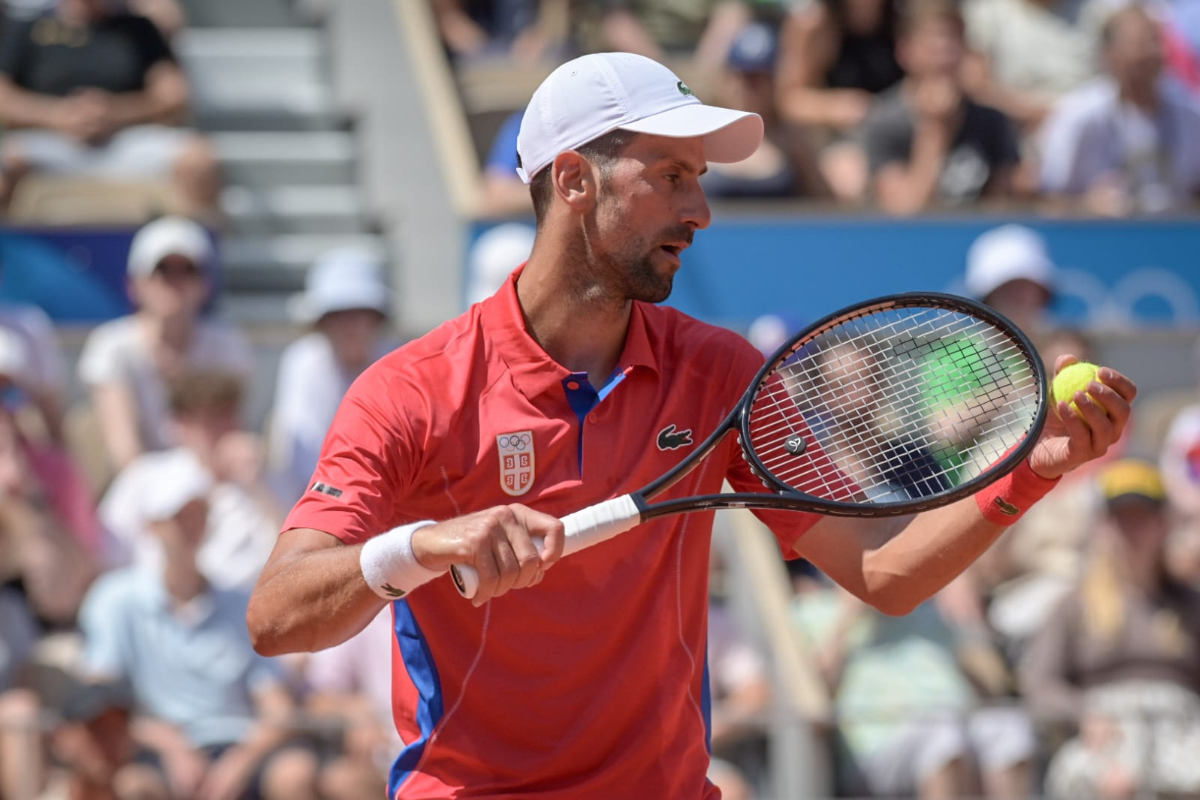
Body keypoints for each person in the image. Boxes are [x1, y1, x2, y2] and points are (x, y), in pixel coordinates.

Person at [247, 51, 1135, 797]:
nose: (700, 211)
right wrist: (423, 546)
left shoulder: (719, 373)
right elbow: (278, 615)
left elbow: (882, 572)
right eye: (671, 177)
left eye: (700, 181)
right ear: (574, 181)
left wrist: (1035, 468)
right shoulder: (412, 392)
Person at [78, 453, 319, 800]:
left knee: (295, 776)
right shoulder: (115, 599)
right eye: (178, 516)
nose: (190, 525)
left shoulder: (241, 604)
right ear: (151, 525)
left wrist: (240, 760)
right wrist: (170, 745)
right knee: (135, 786)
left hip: (237, 745)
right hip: (156, 753)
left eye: (197, 513)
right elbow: (99, 700)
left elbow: (276, 707)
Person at [1019, 459, 1200, 800]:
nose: (1131, 531)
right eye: (1121, 519)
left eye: (1141, 519)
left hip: (1183, 727)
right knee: (1112, 782)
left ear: (1162, 524)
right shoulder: (1074, 604)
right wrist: (1083, 714)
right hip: (1108, 726)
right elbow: (1039, 685)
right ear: (1103, 526)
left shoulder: (1190, 603)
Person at [792, 581, 1037, 799]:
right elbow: (813, 691)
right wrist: (848, 617)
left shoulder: (930, 609)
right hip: (877, 744)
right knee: (941, 732)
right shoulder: (812, 612)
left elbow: (993, 683)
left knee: (1008, 726)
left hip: (955, 725)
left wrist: (968, 616)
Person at [0, 0, 220, 217]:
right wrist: (56, 116)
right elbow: (4, 96)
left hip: (125, 140)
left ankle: (188, 250)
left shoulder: (138, 27)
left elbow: (174, 94)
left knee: (197, 160)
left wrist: (115, 113)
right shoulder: (30, 27)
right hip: (49, 141)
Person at [76, 216, 253, 474]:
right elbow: (126, 455)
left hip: (214, 484)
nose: (175, 282)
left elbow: (231, 440)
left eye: (187, 270)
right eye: (163, 271)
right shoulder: (110, 347)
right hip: (141, 492)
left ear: (205, 285)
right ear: (135, 285)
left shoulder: (229, 345)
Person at [101, 370, 281, 592]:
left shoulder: (268, 480)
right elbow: (107, 556)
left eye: (228, 415)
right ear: (181, 426)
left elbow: (292, 560)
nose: (224, 429)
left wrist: (257, 486)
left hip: (245, 611)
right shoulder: (144, 477)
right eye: (210, 421)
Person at [862, 0, 1021, 215]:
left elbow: (999, 210)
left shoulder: (993, 122)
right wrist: (935, 129)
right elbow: (905, 213)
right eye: (932, 44)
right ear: (905, 51)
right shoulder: (883, 122)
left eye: (952, 43)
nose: (944, 56)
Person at [1040, 4, 1200, 216]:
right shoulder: (1080, 116)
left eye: (1158, 41)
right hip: (1101, 241)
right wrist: (1087, 206)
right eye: (1141, 43)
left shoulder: (1189, 114)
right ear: (1110, 54)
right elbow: (1047, 201)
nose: (1154, 52)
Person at [271, 249, 394, 505]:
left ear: (376, 319)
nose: (350, 326)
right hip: (320, 503)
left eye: (359, 313)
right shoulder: (302, 362)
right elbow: (301, 458)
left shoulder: (398, 361)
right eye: (338, 315)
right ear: (322, 323)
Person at [775, 0, 905, 200]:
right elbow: (788, 101)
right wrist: (837, 107)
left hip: (901, 131)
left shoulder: (903, 17)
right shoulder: (814, 23)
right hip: (839, 137)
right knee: (849, 178)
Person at [701, 21, 831, 199]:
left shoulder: (793, 141)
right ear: (727, 79)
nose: (750, 89)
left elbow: (826, 205)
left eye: (760, 78)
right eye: (744, 77)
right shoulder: (703, 138)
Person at [964, 224, 1056, 338]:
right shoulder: (948, 355)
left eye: (1023, 287)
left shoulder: (1073, 351)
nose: (1017, 297)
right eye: (1006, 289)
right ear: (987, 300)